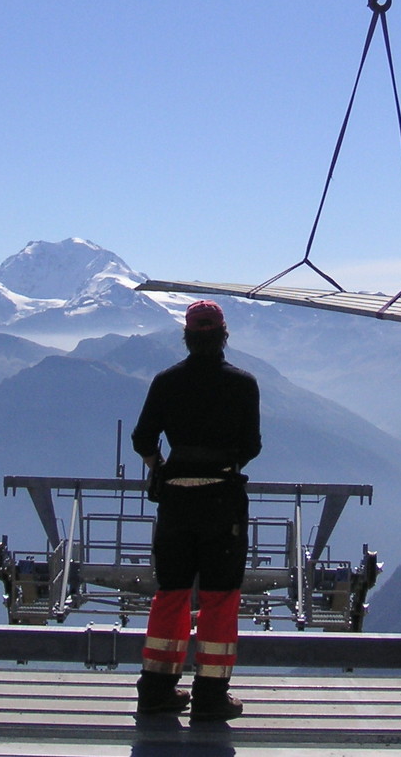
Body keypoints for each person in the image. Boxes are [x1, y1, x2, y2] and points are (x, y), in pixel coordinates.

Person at [131, 300, 261, 721]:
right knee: (220, 598)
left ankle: (155, 690)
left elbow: (143, 438)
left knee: (170, 595)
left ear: (186, 335)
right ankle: (210, 694)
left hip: (176, 502)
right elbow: (251, 446)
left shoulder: (166, 382)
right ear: (224, 333)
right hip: (222, 501)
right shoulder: (243, 384)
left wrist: (162, 468)